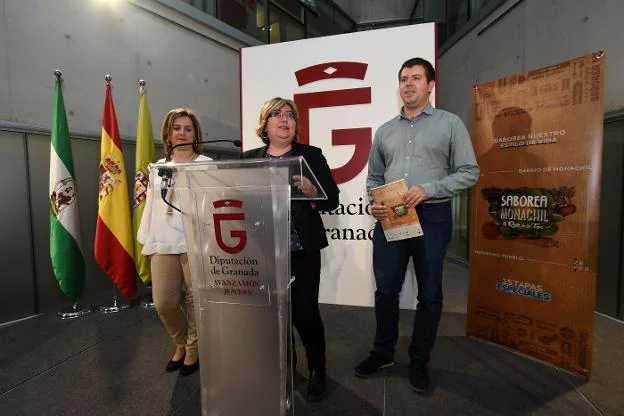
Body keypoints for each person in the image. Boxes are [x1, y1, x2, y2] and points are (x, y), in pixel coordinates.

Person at [354, 58, 479, 392]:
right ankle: (382, 352)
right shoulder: (385, 131)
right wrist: (374, 201)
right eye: (403, 78)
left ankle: (420, 359)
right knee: (385, 291)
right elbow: (374, 177)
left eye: (416, 78)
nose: (408, 84)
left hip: (433, 217)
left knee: (431, 295)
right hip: (391, 218)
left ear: (430, 85)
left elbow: (469, 171)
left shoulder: (450, 124)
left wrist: (431, 189)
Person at [242, 97, 340, 402]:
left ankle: (317, 368)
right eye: (277, 115)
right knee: (274, 313)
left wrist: (314, 192)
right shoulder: (248, 160)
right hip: (264, 249)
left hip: (302, 248)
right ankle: (286, 366)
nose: (285, 120)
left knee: (305, 312)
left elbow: (332, 199)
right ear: (265, 125)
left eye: (290, 115)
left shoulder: (310, 155)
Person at [137, 108, 212, 376]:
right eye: (177, 128)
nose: (182, 132)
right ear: (168, 134)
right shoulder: (158, 168)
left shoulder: (206, 164)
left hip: (195, 240)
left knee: (196, 299)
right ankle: (180, 342)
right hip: (163, 240)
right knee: (164, 302)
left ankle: (192, 348)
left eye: (188, 128)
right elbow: (151, 207)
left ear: (196, 135)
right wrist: (147, 241)